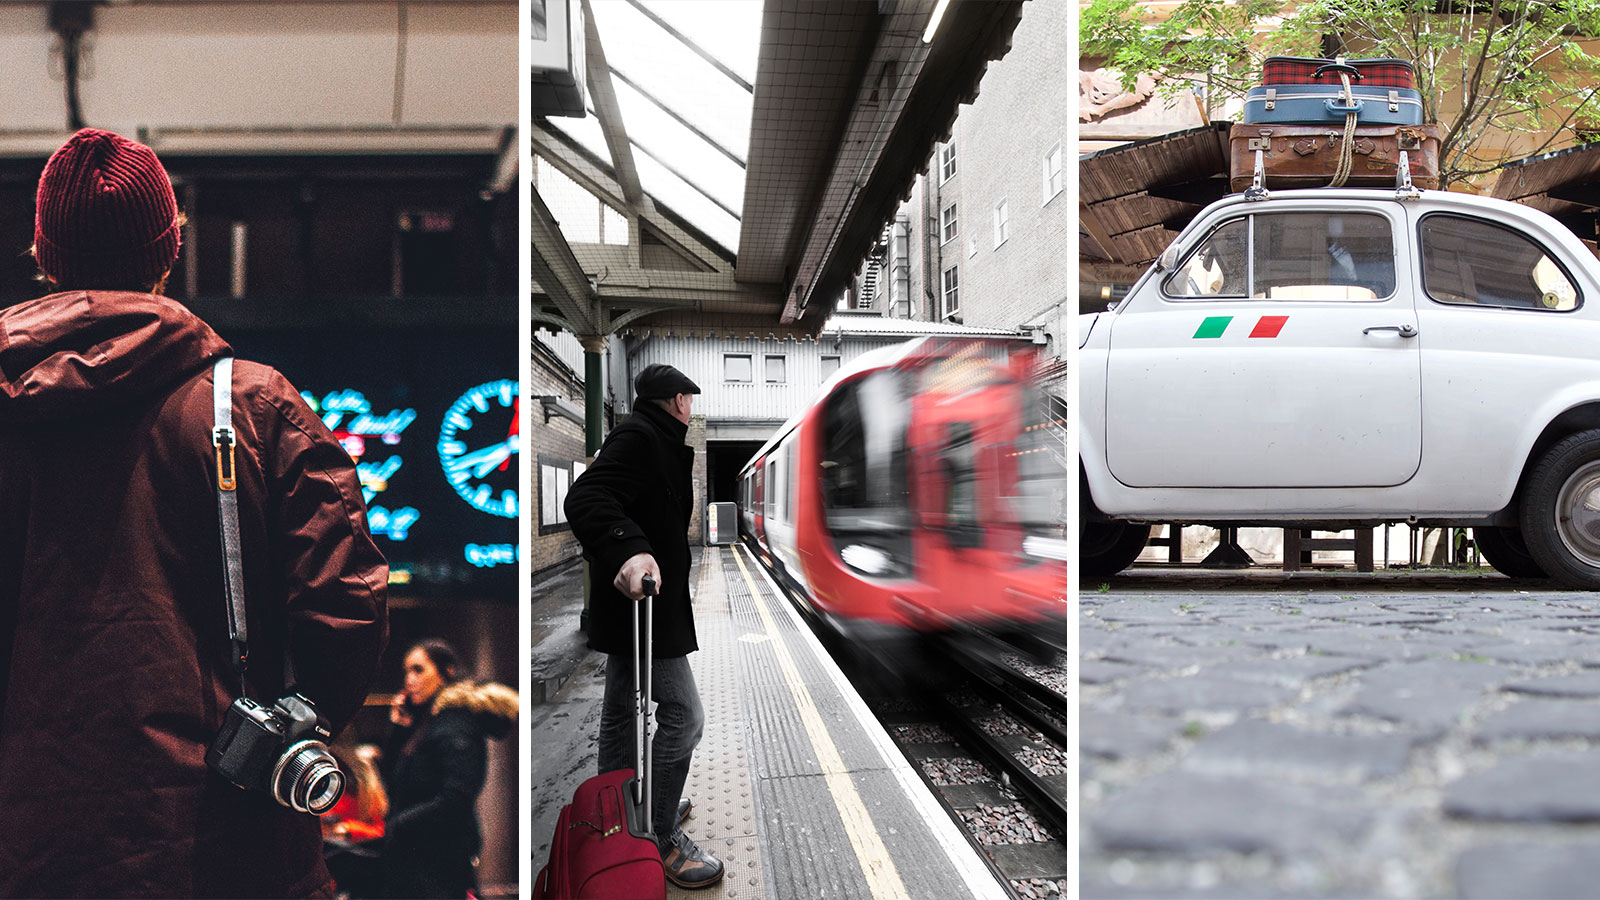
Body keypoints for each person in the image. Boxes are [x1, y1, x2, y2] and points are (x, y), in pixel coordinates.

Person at [0, 128, 389, 897]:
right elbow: (345, 605)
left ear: (42, 254)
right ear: (169, 249)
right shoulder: (252, 406)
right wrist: (288, 729)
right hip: (228, 845)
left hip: (29, 852)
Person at [564, 363, 723, 890]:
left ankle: (621, 821)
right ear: (678, 401)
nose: (691, 407)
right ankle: (655, 832)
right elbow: (586, 498)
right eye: (690, 399)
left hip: (644, 609)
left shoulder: (653, 437)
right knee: (684, 714)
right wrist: (629, 548)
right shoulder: (639, 436)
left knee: (619, 717)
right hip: (642, 611)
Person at [381, 639, 518, 899]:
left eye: (418, 670)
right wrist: (399, 728)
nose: (409, 680)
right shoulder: (427, 724)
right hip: (416, 862)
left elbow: (457, 797)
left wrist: (400, 825)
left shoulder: (454, 724)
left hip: (439, 863)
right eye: (406, 671)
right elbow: (393, 780)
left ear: (447, 672)